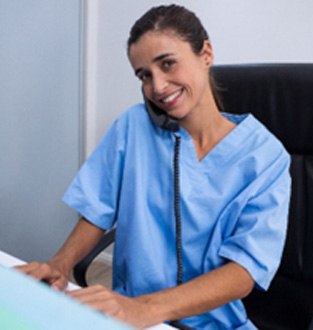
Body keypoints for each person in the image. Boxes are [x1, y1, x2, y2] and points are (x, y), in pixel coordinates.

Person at [16, 4, 291, 330]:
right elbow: (96, 211)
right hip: (128, 316)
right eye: (145, 75)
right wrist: (60, 265)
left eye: (168, 64)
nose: (157, 87)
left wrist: (145, 309)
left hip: (212, 324)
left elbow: (245, 270)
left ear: (206, 53)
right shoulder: (133, 126)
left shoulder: (265, 157)